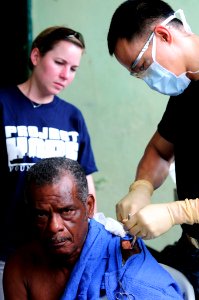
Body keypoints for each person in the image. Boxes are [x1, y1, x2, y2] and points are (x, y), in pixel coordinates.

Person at [107, 0, 199, 296]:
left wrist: (179, 212)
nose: (147, 79)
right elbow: (159, 151)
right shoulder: (187, 91)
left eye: (143, 67)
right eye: (137, 74)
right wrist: (142, 187)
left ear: (163, 35)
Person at [0, 26, 98, 299]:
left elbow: (86, 185)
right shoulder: (4, 104)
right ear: (35, 56)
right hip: (7, 252)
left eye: (74, 68)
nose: (66, 75)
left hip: (58, 258)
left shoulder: (72, 117)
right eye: (59, 63)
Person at [3, 157, 184, 300]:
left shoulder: (125, 259)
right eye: (41, 214)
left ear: (89, 207)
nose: (54, 227)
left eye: (67, 211)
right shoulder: (21, 267)